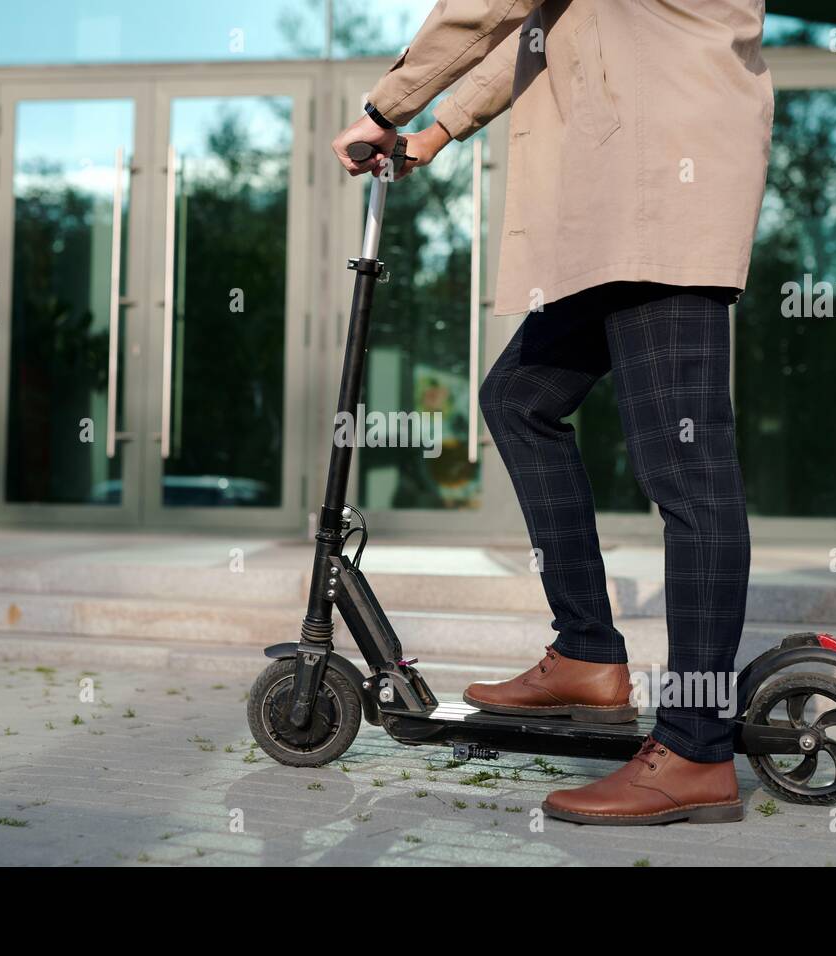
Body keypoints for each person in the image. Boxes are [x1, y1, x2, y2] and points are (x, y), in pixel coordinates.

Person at [332, 0, 774, 826]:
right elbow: (544, 25)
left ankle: (696, 751)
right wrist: (436, 130)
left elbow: (491, 4)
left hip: (659, 190)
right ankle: (586, 654)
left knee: (686, 471)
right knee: (518, 399)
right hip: (619, 203)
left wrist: (385, 103)